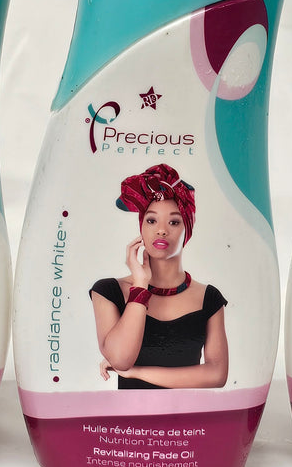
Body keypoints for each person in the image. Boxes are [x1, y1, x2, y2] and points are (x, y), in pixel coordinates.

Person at [90, 164, 228, 390]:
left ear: (187, 229)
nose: (161, 230)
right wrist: (140, 286)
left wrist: (137, 372)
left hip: (191, 413)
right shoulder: (108, 291)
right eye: (151, 220)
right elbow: (121, 359)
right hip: (130, 414)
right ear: (142, 227)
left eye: (174, 222)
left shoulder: (209, 298)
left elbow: (217, 374)